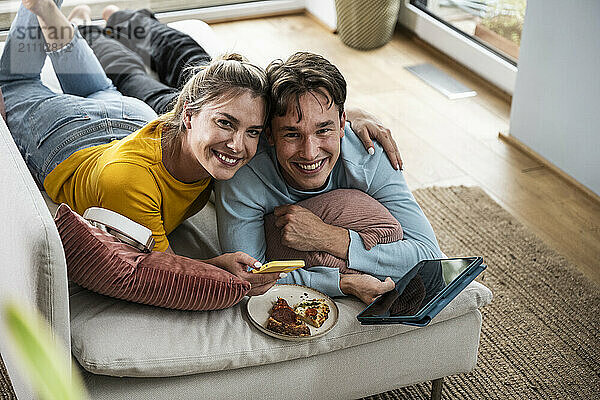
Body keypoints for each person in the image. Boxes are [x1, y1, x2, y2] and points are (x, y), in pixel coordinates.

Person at [1, 0, 281, 295]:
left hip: (131, 119)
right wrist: (218, 266)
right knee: (15, 81)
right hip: (72, 136)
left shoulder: (214, 148)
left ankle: (51, 11)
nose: (238, 145)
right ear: (187, 115)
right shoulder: (130, 183)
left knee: (100, 90)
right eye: (225, 123)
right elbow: (169, 276)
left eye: (252, 131)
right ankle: (43, 8)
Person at [215, 52, 444, 304]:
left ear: (343, 122)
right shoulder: (243, 168)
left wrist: (328, 237)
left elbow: (429, 256)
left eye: (323, 129)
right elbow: (252, 275)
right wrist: (340, 283)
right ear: (269, 134)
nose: (310, 152)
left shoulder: (369, 155)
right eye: (292, 135)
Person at [70, 4, 404, 170]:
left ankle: (87, 31)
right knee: (185, 53)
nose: (309, 148)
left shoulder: (286, 143)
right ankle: (123, 18)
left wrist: (352, 115)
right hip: (228, 93)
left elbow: (311, 118)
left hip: (215, 113)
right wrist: (357, 111)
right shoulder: (288, 125)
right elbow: (297, 99)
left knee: (135, 79)